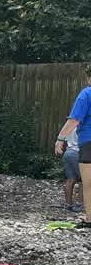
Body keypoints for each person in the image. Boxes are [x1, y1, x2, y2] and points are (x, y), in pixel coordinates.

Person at [55, 66, 91, 222]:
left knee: (88, 183)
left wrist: (60, 139)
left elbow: (74, 120)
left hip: (88, 142)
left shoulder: (86, 94)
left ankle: (89, 218)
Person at [59, 132, 81, 212]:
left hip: (68, 153)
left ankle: (68, 204)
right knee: (84, 180)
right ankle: (80, 204)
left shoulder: (70, 126)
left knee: (70, 180)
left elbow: (63, 139)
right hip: (79, 153)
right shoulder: (85, 125)